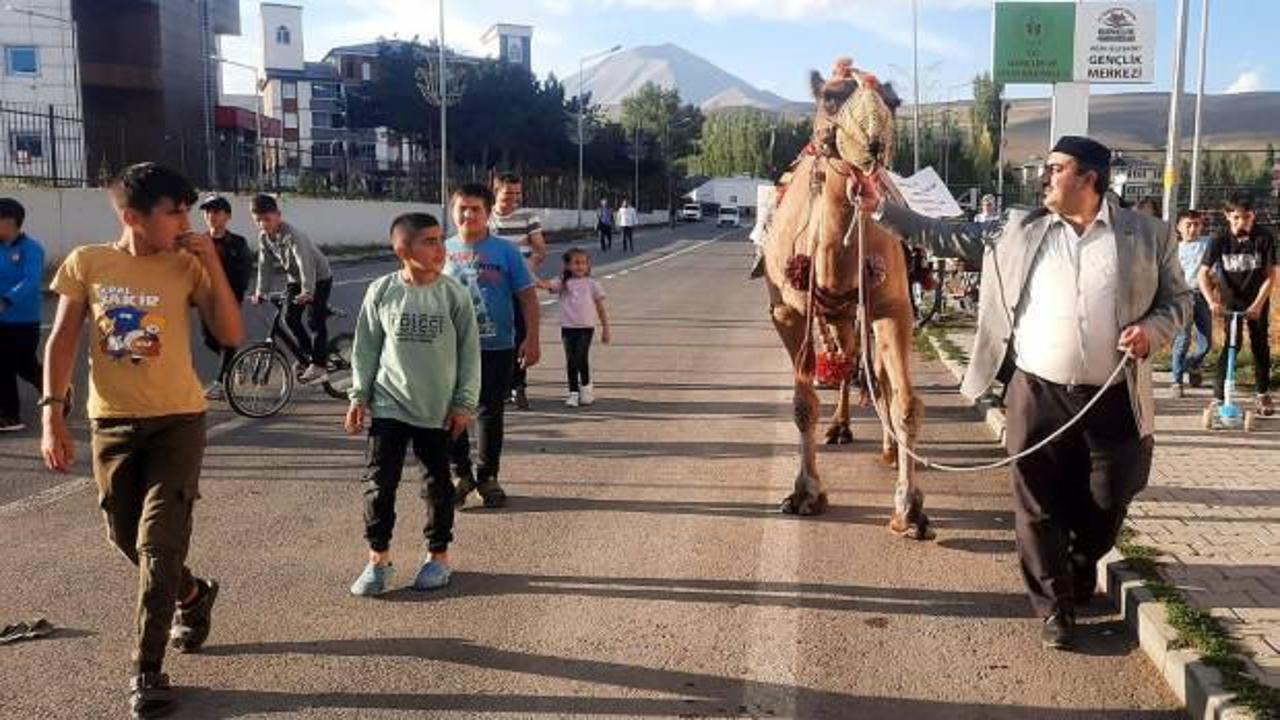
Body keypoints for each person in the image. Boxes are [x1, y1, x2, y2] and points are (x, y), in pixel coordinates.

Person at [860, 135, 1189, 650]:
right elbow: (949, 236)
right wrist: (884, 211)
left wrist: (1154, 330)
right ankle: (1053, 608)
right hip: (1037, 391)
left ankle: (1081, 570)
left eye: (1055, 169)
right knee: (1036, 504)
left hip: (1113, 394)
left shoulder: (1150, 235)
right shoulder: (1018, 228)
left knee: (1109, 496)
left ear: (1089, 179)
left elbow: (1180, 301)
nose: (1043, 177)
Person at [40, 163, 244, 719]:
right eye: (174, 211)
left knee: (157, 543)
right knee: (121, 533)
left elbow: (230, 333)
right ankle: (193, 594)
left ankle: (147, 668)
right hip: (112, 423)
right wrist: (51, 415)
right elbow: (61, 342)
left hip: (178, 420)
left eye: (187, 210)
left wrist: (214, 266)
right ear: (133, 217)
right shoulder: (88, 263)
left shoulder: (187, 264)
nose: (186, 220)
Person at [346, 212, 480, 596]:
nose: (441, 248)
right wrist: (359, 395)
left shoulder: (454, 293)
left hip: (437, 410)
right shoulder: (382, 291)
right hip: (389, 405)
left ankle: (438, 557)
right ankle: (378, 560)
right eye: (430, 241)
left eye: (441, 240)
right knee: (378, 483)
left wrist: (464, 404)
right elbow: (367, 347)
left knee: (436, 485)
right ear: (402, 249)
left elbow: (470, 355)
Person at [444, 183, 540, 508]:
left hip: (498, 346)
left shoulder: (506, 251)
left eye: (476, 209)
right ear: (452, 211)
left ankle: (488, 477)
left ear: (487, 214)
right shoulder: (440, 251)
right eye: (463, 208)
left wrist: (532, 338)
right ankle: (461, 474)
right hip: (451, 349)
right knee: (450, 413)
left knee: (490, 412)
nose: (469, 214)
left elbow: (527, 295)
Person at [1199, 196, 1275, 416]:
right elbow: (1203, 273)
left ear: (1253, 215)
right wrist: (1211, 301)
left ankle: (1262, 394)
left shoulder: (1264, 237)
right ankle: (1219, 397)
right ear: (1227, 216)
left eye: (1247, 217)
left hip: (1257, 299)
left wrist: (1259, 304)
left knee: (1260, 344)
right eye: (1236, 218)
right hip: (1230, 300)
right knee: (1232, 345)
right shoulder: (1219, 239)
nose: (1242, 223)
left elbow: (1271, 276)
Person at [249, 194, 333, 384]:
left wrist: (308, 292)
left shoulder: (293, 235)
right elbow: (265, 266)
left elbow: (306, 264)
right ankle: (307, 355)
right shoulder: (264, 238)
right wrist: (260, 291)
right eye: (258, 221)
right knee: (289, 317)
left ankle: (319, 365)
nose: (263, 224)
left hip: (318, 277)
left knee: (314, 320)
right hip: (295, 279)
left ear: (278, 215)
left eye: (267, 219)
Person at [490, 172, 546, 411]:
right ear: (496, 191)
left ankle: (518, 385)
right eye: (507, 193)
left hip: (519, 286)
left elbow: (540, 249)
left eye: (516, 193)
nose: (513, 198)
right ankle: (498, 386)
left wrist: (525, 271)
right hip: (490, 287)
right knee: (493, 335)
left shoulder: (527, 217)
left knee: (521, 332)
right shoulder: (485, 217)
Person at [539, 247, 611, 407]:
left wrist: (606, 328)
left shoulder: (592, 284)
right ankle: (573, 393)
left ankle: (586, 389)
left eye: (583, 263)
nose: (580, 266)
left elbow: (600, 308)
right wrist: (528, 272)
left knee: (581, 357)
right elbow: (544, 285)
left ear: (588, 266)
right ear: (568, 266)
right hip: (568, 327)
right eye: (576, 263)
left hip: (586, 327)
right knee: (571, 360)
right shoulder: (563, 283)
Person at [197, 195, 252, 399]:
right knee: (208, 339)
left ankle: (221, 383)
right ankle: (238, 362)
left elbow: (245, 271)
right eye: (207, 212)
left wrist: (234, 296)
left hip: (229, 298)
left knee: (227, 339)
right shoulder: (200, 242)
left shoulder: (237, 243)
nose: (211, 216)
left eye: (216, 212)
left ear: (227, 216)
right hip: (206, 297)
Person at [0, 197, 44, 431]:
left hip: (24, 320)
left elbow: (31, 279)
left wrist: (7, 300)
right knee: (3, 365)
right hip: (1, 320)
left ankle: (54, 391)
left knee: (24, 365)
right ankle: (10, 416)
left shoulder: (31, 249)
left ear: (9, 221)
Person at [1170, 209, 1212, 396]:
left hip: (1203, 296)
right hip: (1181, 298)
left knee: (1206, 343)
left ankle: (1192, 364)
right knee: (1182, 340)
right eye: (1188, 224)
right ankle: (1176, 381)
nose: (1193, 228)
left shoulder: (1208, 244)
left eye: (1197, 224)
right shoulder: (1173, 249)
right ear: (1179, 227)